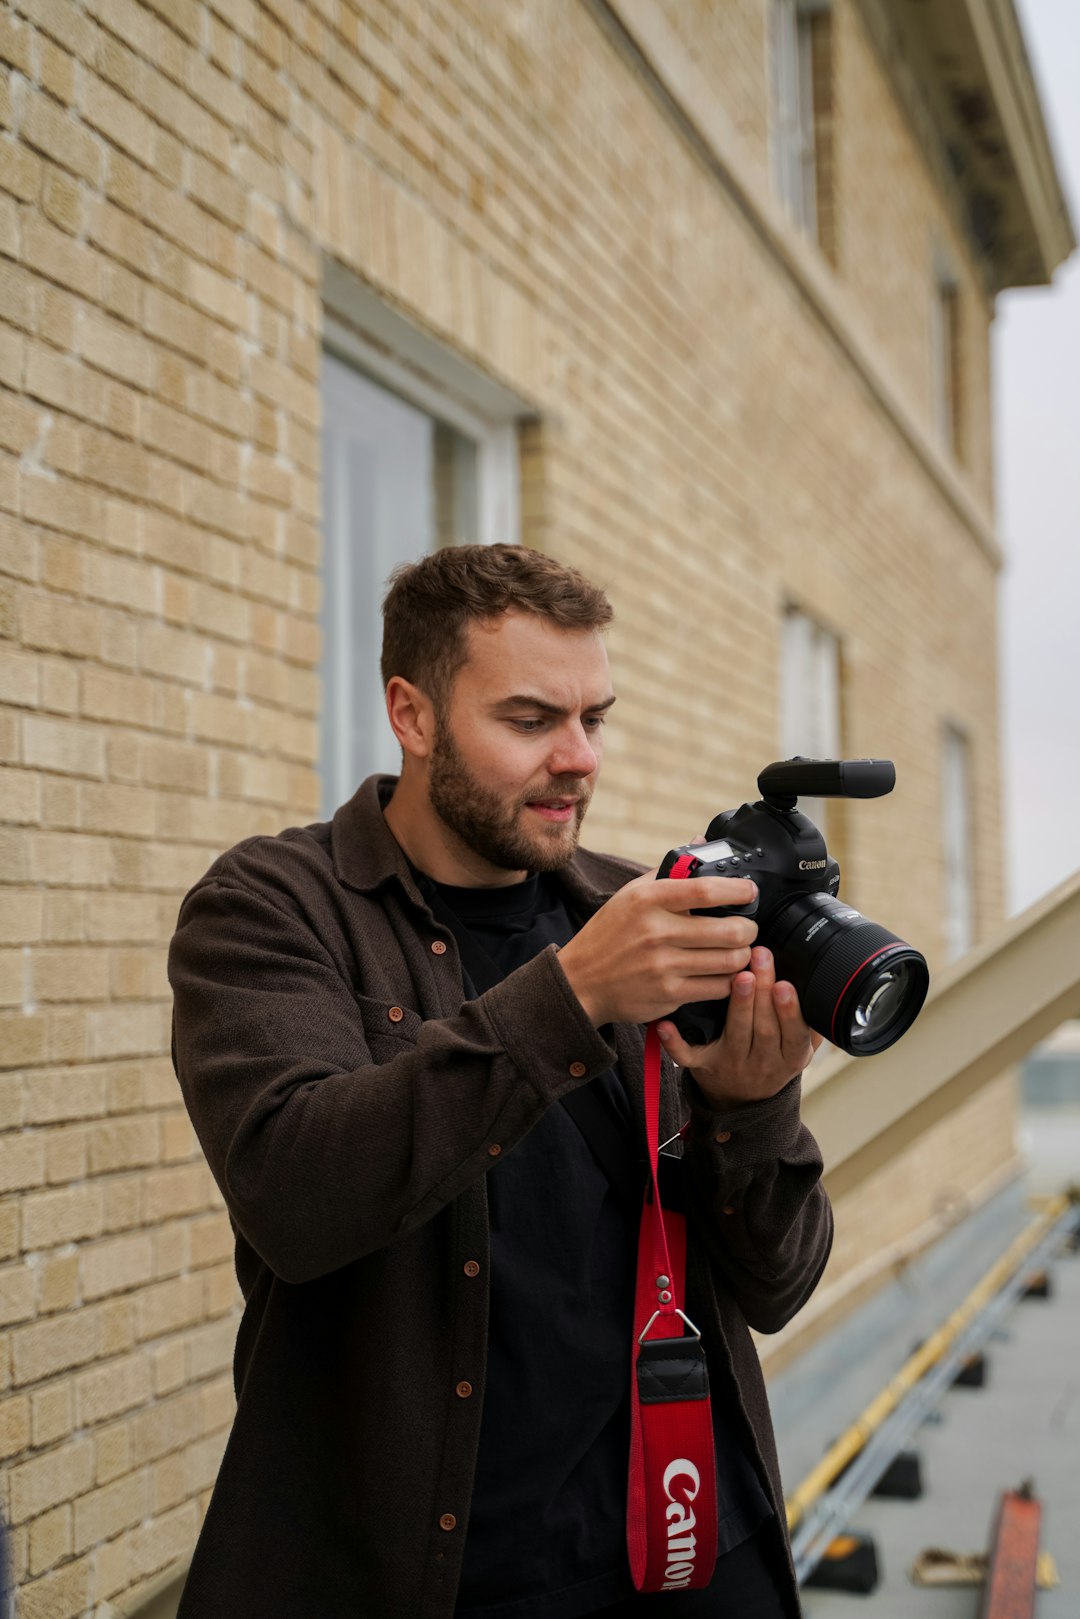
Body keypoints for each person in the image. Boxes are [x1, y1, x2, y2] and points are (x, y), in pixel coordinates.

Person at [167, 543, 832, 1619]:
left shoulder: (633, 908)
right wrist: (571, 997)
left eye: (595, 718)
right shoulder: (274, 904)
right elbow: (295, 1191)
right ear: (413, 713)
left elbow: (781, 1283)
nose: (578, 758)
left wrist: (753, 1109)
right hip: (443, 1577)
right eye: (531, 720)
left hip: (694, 1544)